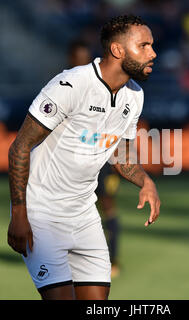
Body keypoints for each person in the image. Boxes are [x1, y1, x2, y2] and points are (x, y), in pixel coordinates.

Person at [7, 15, 160, 300]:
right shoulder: (71, 85)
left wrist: (145, 181)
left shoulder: (135, 95)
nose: (153, 53)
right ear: (118, 50)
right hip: (43, 216)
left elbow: (122, 154)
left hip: (86, 216)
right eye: (144, 45)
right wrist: (19, 214)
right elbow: (19, 147)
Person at [68, 39, 123, 278]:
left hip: (102, 161)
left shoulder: (104, 87)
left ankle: (113, 259)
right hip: (73, 160)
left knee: (107, 205)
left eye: (84, 59)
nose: (81, 64)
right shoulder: (63, 86)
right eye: (76, 59)